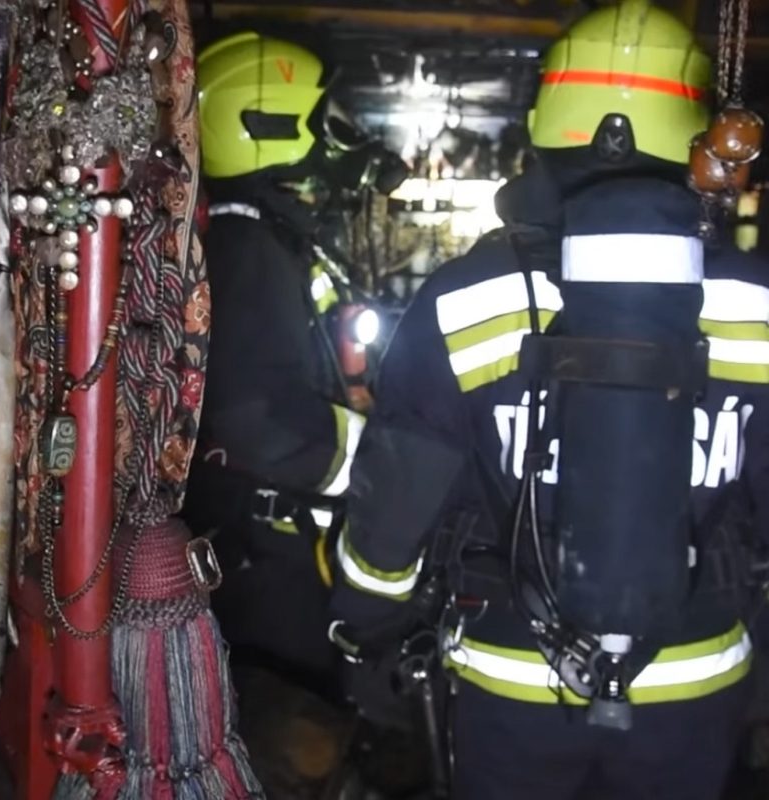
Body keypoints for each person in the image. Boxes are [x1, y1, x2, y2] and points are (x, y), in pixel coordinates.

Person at [330, 2, 769, 798]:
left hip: (510, 676)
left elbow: (394, 506)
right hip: (698, 674)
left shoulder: (464, 299)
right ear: (695, 134)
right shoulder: (757, 301)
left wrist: (364, 628)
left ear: (545, 120)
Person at [180, 30, 396, 688]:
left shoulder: (259, 238)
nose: (338, 143)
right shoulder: (247, 250)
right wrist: (382, 460)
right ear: (265, 125)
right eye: (323, 123)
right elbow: (259, 418)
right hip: (268, 559)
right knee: (290, 731)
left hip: (275, 542)